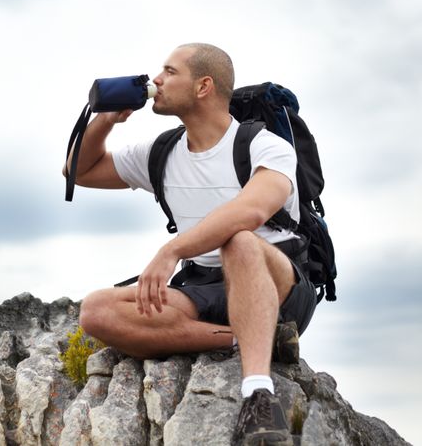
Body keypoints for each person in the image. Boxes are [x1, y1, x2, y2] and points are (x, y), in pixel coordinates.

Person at [63, 43, 317, 445]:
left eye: (169, 71)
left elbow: (249, 212)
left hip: (275, 279)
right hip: (203, 284)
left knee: (237, 240)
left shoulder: (264, 146)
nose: (156, 80)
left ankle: (258, 396)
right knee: (98, 312)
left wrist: (172, 250)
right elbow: (80, 170)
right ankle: (250, 337)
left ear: (203, 86)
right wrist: (108, 119)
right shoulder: (162, 153)